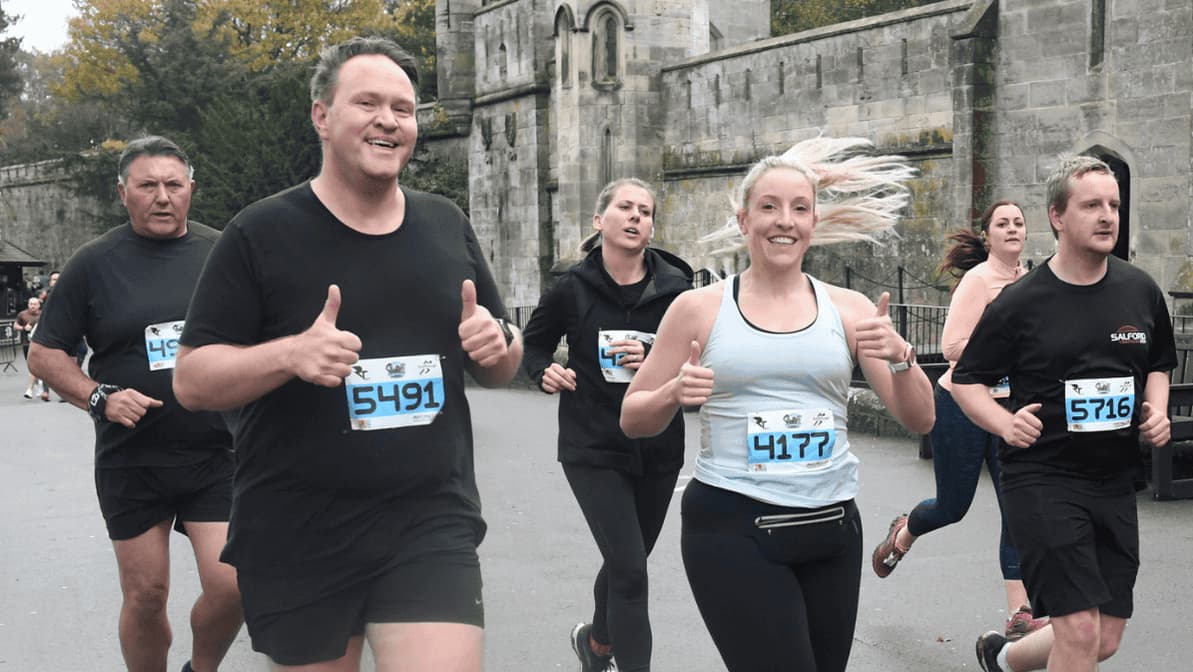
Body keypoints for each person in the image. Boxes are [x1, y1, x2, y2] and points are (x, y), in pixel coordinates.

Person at [172, 36, 522, 671]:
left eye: (405, 108)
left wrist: (498, 343)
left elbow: (500, 363)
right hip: (299, 528)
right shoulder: (261, 233)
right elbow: (192, 380)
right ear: (322, 116)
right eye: (368, 102)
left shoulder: (446, 224)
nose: (389, 120)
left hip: (429, 520)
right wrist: (289, 355)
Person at [620, 138, 935, 672]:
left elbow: (921, 418)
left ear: (814, 223)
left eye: (799, 208)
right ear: (744, 220)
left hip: (833, 525)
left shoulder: (852, 309)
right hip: (732, 527)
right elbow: (633, 417)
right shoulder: (698, 309)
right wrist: (674, 393)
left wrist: (902, 356)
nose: (783, 221)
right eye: (768, 207)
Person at [948, 156, 1175, 672]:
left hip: (1116, 480)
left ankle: (1003, 660)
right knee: (1077, 629)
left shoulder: (1139, 289)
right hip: (1043, 478)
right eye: (1091, 205)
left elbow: (1160, 362)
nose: (1107, 216)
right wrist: (1004, 423)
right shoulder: (1020, 303)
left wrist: (1156, 411)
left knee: (1105, 638)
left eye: (1113, 205)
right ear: (1057, 216)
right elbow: (967, 381)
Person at [27, 135, 242, 672]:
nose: (162, 196)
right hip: (134, 456)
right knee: (146, 595)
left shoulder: (225, 254)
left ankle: (202, 668)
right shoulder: (94, 263)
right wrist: (99, 397)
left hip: (217, 451)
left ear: (192, 188)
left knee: (235, 583)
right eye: (148, 186)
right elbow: (43, 352)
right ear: (123, 193)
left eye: (174, 184)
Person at [521, 178, 693, 672]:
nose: (637, 216)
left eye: (645, 210)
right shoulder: (571, 290)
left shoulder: (676, 291)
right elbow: (534, 345)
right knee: (632, 571)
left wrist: (656, 354)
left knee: (627, 562)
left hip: (659, 446)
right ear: (600, 221)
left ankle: (596, 646)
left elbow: (703, 353)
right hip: (592, 446)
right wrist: (541, 371)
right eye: (626, 207)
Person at [871, 200, 1048, 639]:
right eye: (1002, 223)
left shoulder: (1033, 283)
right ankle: (903, 533)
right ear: (988, 236)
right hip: (962, 405)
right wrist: (1008, 351)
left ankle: (1019, 612)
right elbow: (952, 348)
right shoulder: (977, 280)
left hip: (1010, 409)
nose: (1012, 229)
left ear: (1026, 233)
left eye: (1018, 223)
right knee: (953, 506)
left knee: (1017, 507)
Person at [15, 296, 48, 401]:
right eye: (31, 304)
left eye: (35, 304)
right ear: (28, 305)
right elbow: (15, 325)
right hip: (26, 344)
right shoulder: (22, 314)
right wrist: (23, 328)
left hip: (40, 344)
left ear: (39, 305)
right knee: (31, 367)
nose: (33, 306)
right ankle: (39, 383)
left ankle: (30, 389)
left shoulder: (43, 314)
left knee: (36, 366)